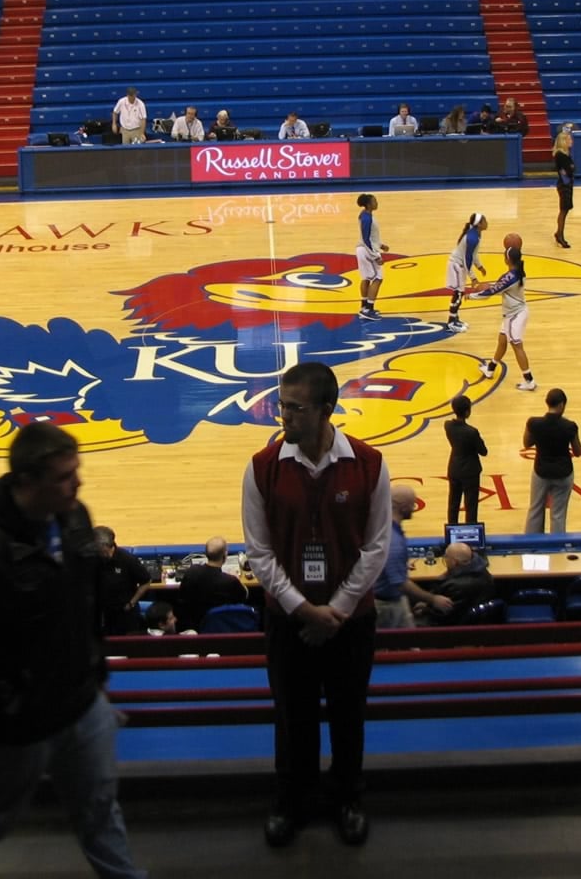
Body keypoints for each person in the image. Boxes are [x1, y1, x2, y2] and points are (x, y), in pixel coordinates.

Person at [0, 421, 146, 879]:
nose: (77, 483)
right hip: (19, 730)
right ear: (26, 481)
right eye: (64, 475)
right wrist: (10, 706)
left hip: (82, 706)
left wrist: (93, 673)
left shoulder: (75, 516)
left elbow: (81, 606)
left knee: (101, 814)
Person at [242, 361, 389, 849]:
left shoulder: (371, 464)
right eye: (282, 405)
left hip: (351, 623)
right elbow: (258, 553)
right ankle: (291, 800)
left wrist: (337, 610)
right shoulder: (261, 467)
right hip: (290, 623)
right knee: (292, 716)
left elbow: (376, 546)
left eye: (296, 408)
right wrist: (304, 610)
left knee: (349, 715)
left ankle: (348, 798)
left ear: (328, 409)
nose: (284, 415)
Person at [374, 485, 454, 629]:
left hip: (392, 599)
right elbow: (400, 583)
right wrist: (433, 599)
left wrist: (400, 566)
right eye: (412, 504)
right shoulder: (394, 541)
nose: (414, 508)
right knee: (405, 646)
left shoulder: (384, 528)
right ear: (403, 507)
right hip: (387, 605)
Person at [472, 242, 535, 391]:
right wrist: (491, 286)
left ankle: (529, 380)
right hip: (513, 313)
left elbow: (492, 292)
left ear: (507, 260)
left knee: (516, 345)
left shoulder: (511, 276)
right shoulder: (518, 271)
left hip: (515, 315)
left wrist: (472, 295)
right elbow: (500, 286)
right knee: (502, 341)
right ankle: (491, 369)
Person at [522, 388, 581, 533]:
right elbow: (578, 451)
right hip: (563, 473)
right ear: (562, 405)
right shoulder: (569, 426)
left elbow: (526, 444)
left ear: (547, 403)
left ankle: (532, 546)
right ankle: (557, 549)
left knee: (535, 509)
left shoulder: (534, 423)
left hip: (541, 472)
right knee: (558, 515)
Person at [175, 536, 246, 631]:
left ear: (206, 554)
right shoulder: (230, 581)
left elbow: (182, 595)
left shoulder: (191, 572)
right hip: (221, 625)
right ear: (224, 557)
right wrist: (236, 578)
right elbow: (245, 596)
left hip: (193, 624)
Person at [415, 543, 494, 625]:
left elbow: (444, 615)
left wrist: (425, 609)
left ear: (454, 562)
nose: (444, 559)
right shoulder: (482, 571)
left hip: (453, 626)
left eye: (446, 556)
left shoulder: (455, 586)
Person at [95, 526, 152, 637]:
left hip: (125, 614)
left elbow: (146, 581)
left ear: (106, 546)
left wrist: (132, 603)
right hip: (104, 613)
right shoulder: (95, 559)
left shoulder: (127, 560)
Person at [445, 394, 489, 524]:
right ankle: (471, 531)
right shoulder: (471, 432)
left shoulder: (447, 425)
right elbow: (484, 451)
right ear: (467, 411)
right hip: (470, 471)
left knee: (453, 503)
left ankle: (451, 529)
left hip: (454, 468)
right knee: (471, 505)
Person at [444, 211, 488, 332]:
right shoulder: (472, 237)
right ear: (479, 224)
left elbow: (474, 254)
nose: (486, 222)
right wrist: (473, 277)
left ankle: (455, 318)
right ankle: (451, 322)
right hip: (457, 265)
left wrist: (480, 266)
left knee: (459, 293)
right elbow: (467, 258)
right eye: (484, 220)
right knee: (458, 293)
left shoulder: (476, 234)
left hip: (460, 264)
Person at [354, 193, 384, 320]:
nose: (376, 203)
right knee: (378, 278)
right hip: (367, 250)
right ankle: (369, 309)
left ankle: (364, 307)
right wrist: (375, 256)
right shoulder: (367, 218)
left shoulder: (364, 215)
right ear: (368, 204)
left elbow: (370, 236)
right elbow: (366, 239)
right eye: (374, 201)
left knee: (365, 278)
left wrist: (381, 245)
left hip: (362, 249)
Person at [552, 130, 575, 248]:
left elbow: (570, 169)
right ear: (563, 141)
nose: (572, 141)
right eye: (569, 139)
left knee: (565, 210)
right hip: (564, 184)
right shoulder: (560, 155)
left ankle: (558, 233)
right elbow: (568, 171)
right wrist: (570, 169)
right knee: (563, 210)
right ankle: (560, 235)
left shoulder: (565, 154)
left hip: (567, 184)